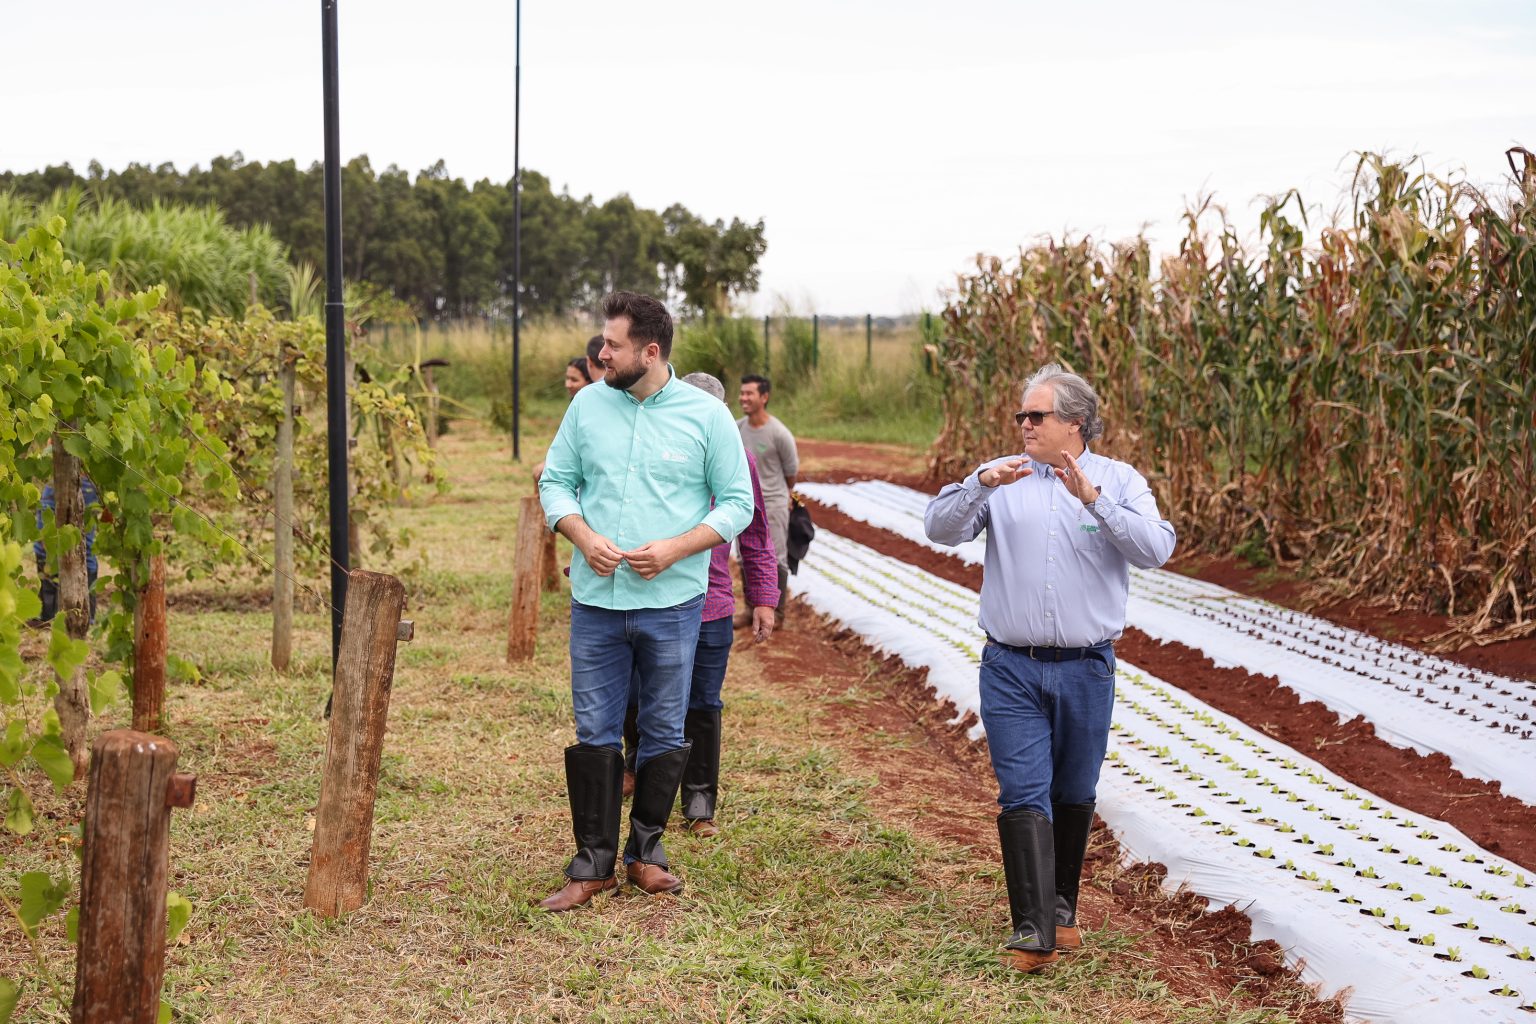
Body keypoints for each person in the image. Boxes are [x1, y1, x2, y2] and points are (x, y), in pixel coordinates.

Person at [923, 363, 1175, 973]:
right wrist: (979, 483)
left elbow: (1156, 550)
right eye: (1022, 416)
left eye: (1036, 416)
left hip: (1087, 667)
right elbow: (939, 529)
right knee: (1023, 789)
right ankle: (1033, 928)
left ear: (1075, 423)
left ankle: (1061, 909)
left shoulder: (1119, 481)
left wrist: (1096, 503)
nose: (1025, 425)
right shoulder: (1002, 477)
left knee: (1073, 791)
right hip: (1011, 665)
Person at [537, 292, 754, 912]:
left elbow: (737, 503)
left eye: (613, 344)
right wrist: (582, 536)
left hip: (672, 602)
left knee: (663, 726)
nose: (602, 353)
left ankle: (647, 853)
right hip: (596, 603)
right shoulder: (587, 406)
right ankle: (593, 863)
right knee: (594, 729)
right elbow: (556, 482)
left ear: (650, 351)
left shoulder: (706, 417)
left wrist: (677, 548)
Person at [620, 372, 779, 832]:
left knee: (703, 702)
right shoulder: (650, 450)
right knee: (639, 693)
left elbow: (755, 533)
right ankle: (638, 769)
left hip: (711, 604)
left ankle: (699, 802)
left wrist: (763, 597)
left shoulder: (739, 461)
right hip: (650, 596)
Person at [737, 374, 798, 624]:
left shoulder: (779, 433)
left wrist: (785, 495)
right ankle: (750, 609)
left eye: (749, 393)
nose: (743, 398)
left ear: (764, 397)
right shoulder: (737, 428)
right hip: (743, 503)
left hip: (772, 502)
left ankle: (778, 612)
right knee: (744, 555)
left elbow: (791, 472)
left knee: (776, 556)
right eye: (742, 393)